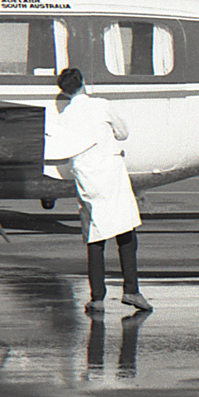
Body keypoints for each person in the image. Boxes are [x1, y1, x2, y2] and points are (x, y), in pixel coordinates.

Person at [51, 67, 152, 313]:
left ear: (64, 92)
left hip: (87, 177)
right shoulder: (102, 105)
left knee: (95, 236)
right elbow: (123, 133)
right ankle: (131, 290)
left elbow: (61, 153)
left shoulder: (63, 117)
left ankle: (97, 297)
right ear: (83, 82)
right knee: (125, 231)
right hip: (111, 173)